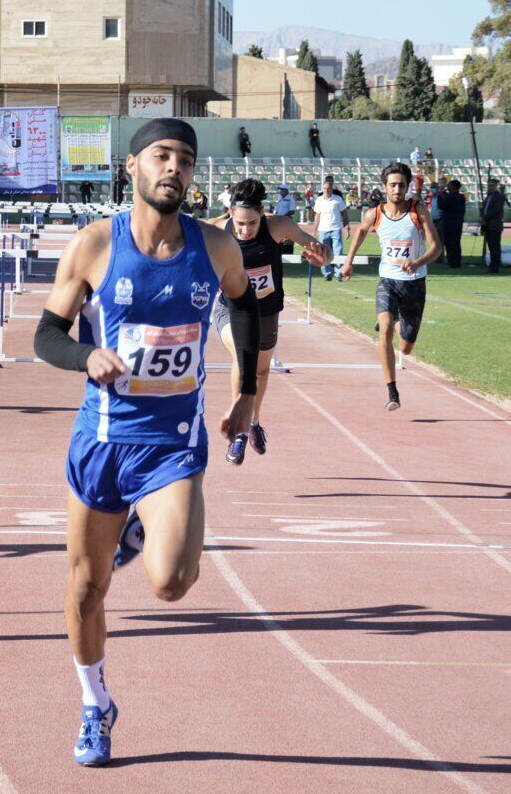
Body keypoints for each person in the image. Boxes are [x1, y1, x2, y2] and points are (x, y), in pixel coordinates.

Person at [33, 118, 260, 767]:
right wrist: (85, 358)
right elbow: (46, 335)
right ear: (131, 166)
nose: (175, 168)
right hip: (104, 441)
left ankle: (145, 534)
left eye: (186, 159)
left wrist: (248, 394)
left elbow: (246, 307)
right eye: (162, 156)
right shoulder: (95, 246)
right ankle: (95, 703)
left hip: (172, 444)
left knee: (171, 582)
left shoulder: (216, 247)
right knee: (85, 588)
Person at [208, 180, 330, 462]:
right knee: (243, 354)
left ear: (262, 214)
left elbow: (323, 250)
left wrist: (323, 258)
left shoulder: (279, 226)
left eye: (251, 223)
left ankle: (252, 421)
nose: (245, 230)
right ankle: (237, 432)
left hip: (267, 312)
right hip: (231, 309)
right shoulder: (215, 229)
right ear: (229, 213)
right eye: (239, 223)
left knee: (261, 372)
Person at [341, 163, 441, 411]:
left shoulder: (418, 211)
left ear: (408, 187)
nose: (397, 189)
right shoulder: (374, 214)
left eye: (402, 185)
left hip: (414, 284)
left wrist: (417, 261)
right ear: (385, 187)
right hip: (387, 281)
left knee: (406, 347)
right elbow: (361, 232)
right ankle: (392, 391)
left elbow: (437, 248)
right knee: (384, 329)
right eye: (393, 185)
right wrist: (348, 262)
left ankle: (396, 320)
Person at [313, 176, 347, 281]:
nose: (326, 190)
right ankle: (327, 273)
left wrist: (347, 227)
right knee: (323, 252)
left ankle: (338, 273)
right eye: (324, 188)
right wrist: (315, 229)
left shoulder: (338, 199)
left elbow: (344, 213)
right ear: (322, 189)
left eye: (328, 188)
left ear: (332, 189)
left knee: (338, 251)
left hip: (336, 228)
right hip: (323, 229)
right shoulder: (319, 200)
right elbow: (317, 216)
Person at [438, 179, 467, 268]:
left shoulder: (450, 197)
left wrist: (441, 195)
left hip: (449, 222)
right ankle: (457, 261)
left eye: (449, 185)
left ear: (453, 186)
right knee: (456, 242)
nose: (447, 187)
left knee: (449, 242)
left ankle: (452, 261)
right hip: (458, 222)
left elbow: (442, 206)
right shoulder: (461, 197)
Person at [482, 179, 506, 273]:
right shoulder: (489, 196)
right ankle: (493, 265)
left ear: (496, 185)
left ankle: (495, 267)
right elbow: (485, 208)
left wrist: (485, 217)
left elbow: (496, 210)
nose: (490, 187)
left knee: (495, 247)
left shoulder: (499, 196)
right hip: (488, 224)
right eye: (489, 185)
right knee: (491, 247)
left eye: (492, 185)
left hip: (494, 224)